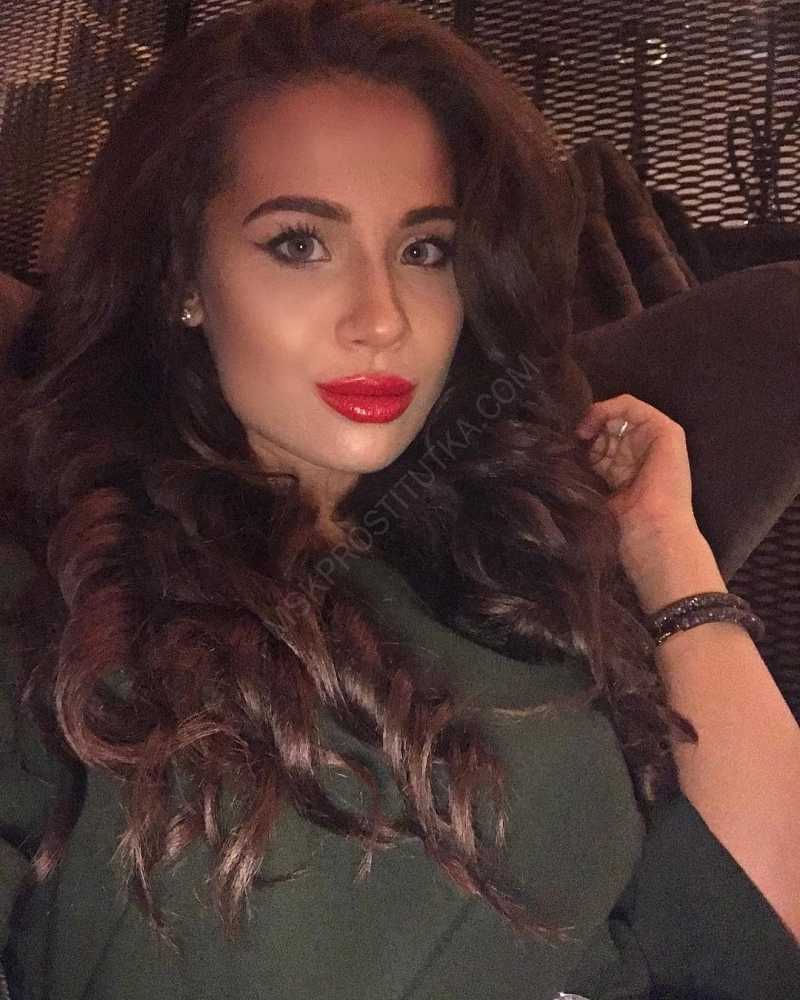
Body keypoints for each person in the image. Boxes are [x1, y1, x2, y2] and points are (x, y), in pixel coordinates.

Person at [0, 1, 798, 998]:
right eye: (300, 243)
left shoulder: (509, 565)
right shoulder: (60, 596)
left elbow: (760, 932)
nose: (381, 318)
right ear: (182, 278)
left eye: (424, 251)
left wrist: (664, 547)